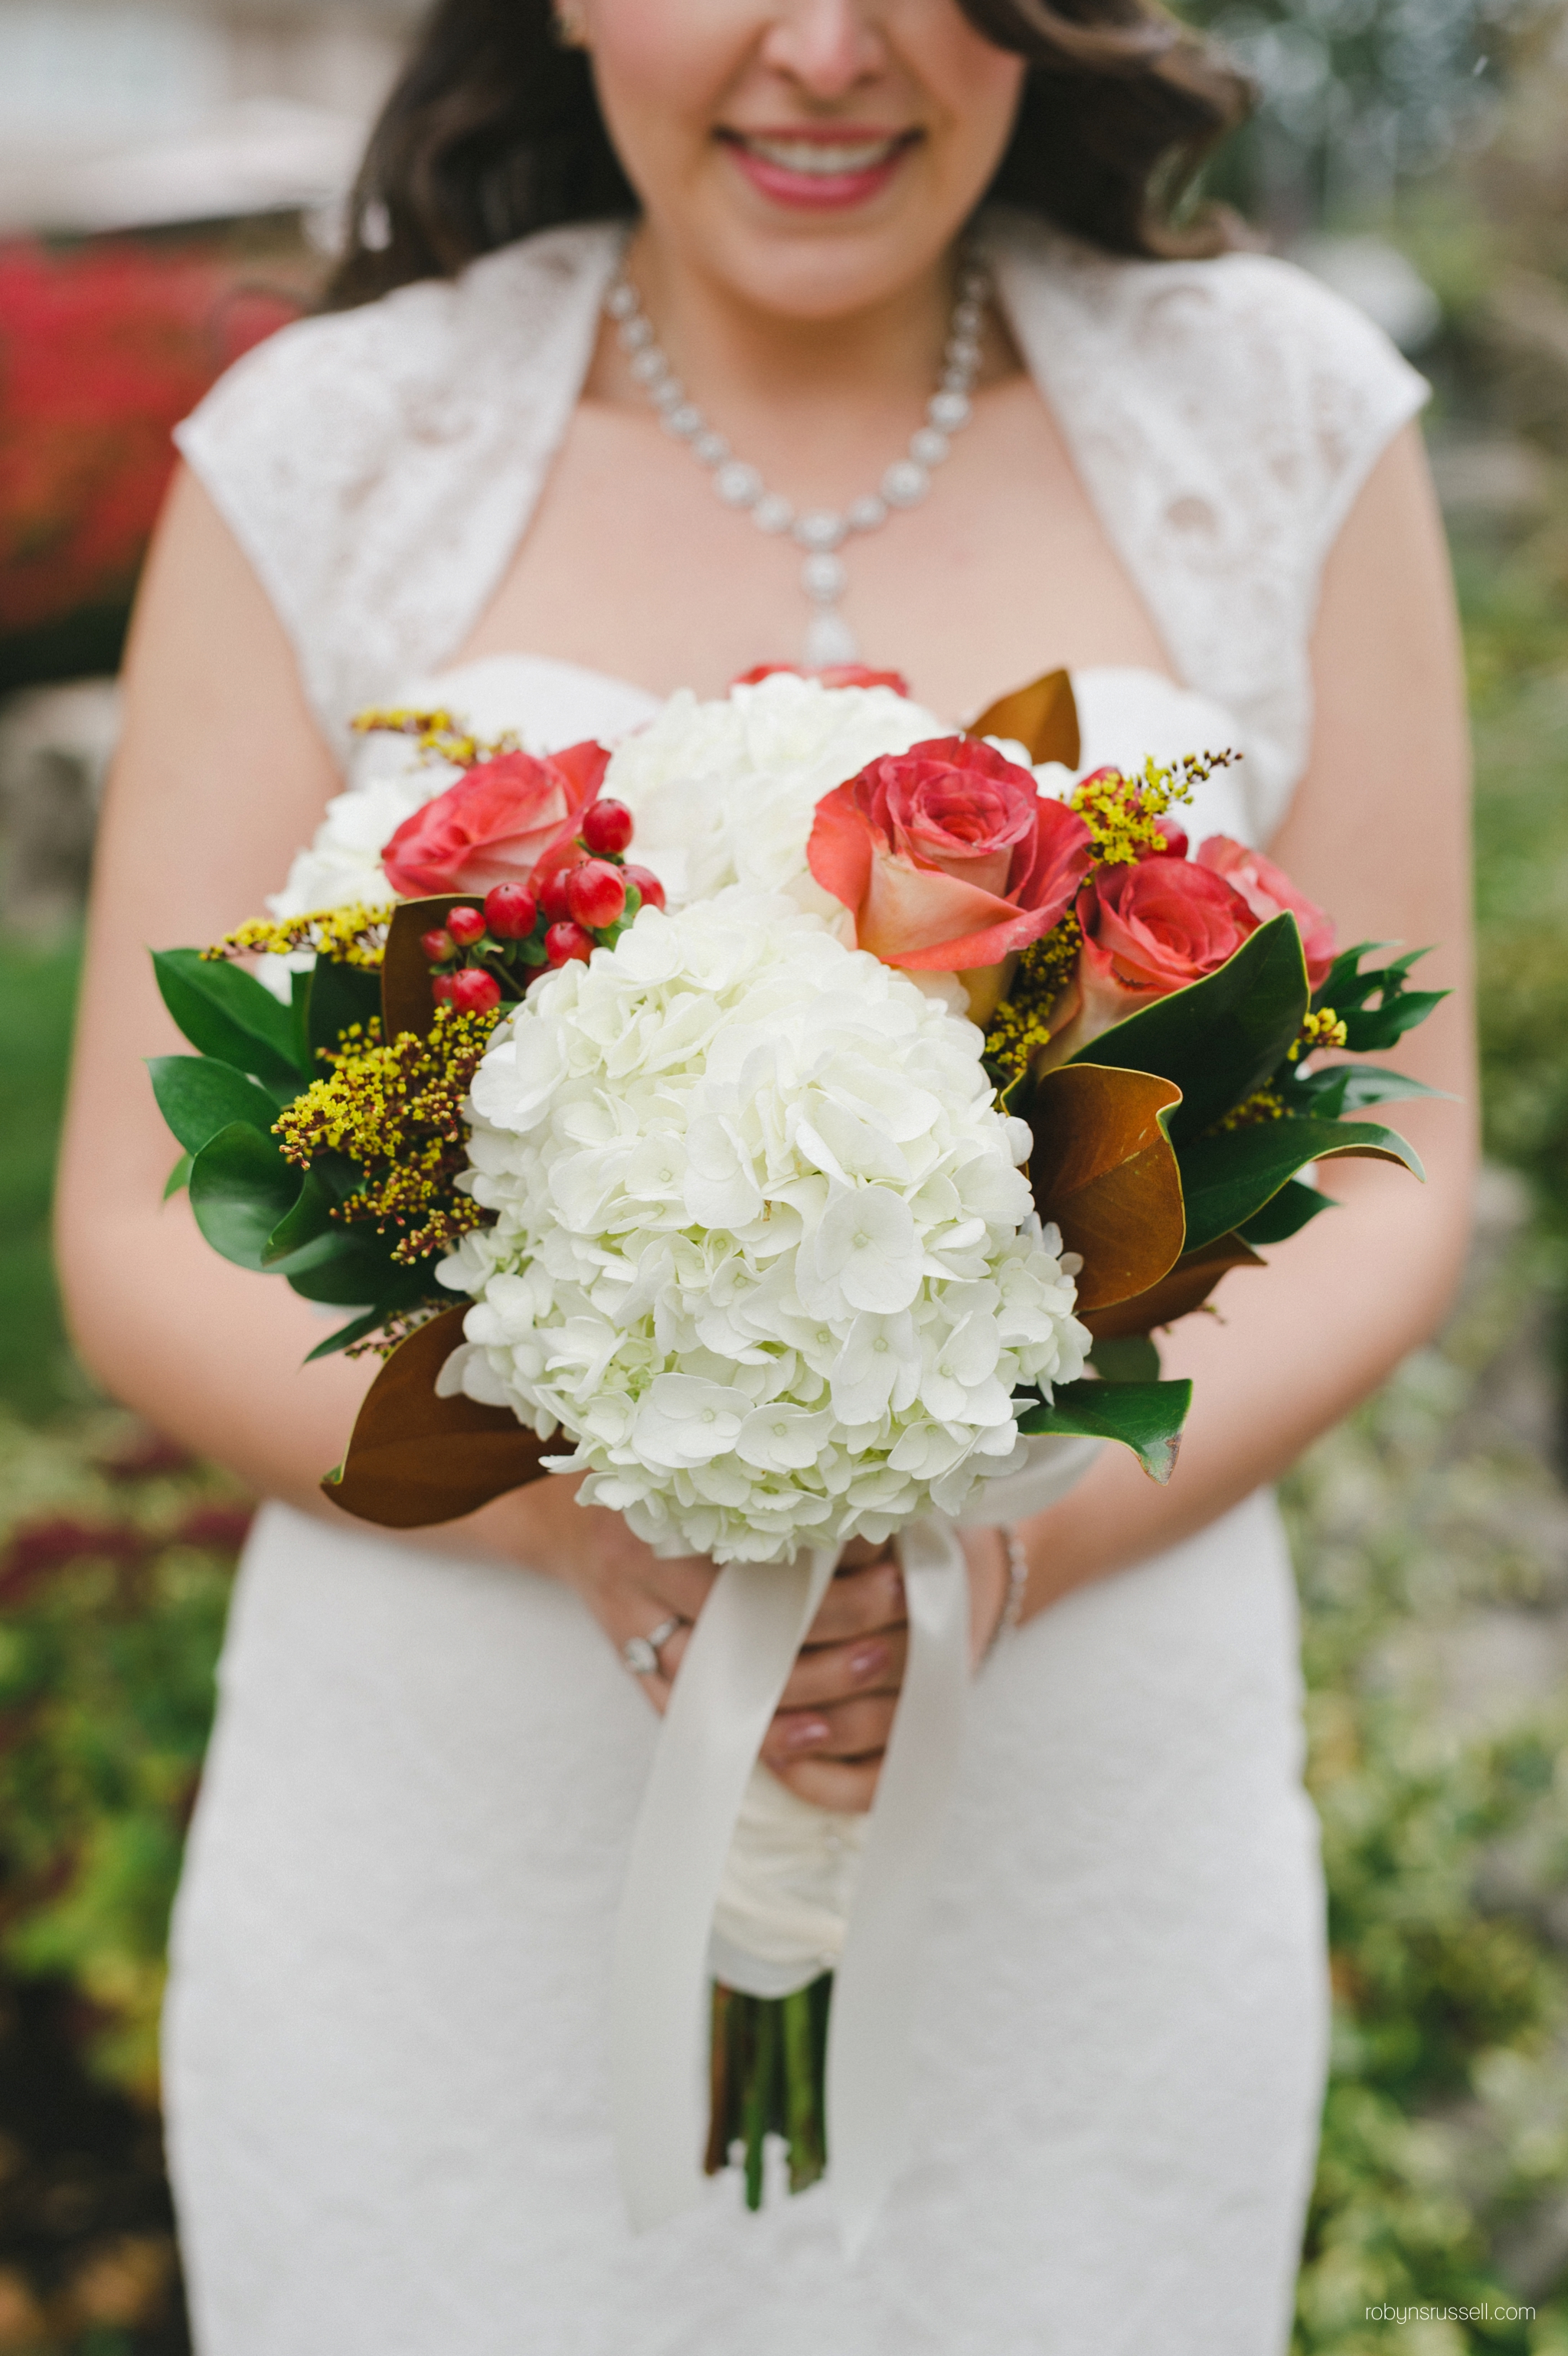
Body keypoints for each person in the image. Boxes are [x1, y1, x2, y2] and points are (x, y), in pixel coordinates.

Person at [55, 2, 1475, 2349]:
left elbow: (1405, 1156)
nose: (825, 49)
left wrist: (1010, 1551)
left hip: (1085, 1825)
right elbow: (130, 1221)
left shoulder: (1282, 421)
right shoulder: (331, 450)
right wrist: (561, 1515)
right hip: (450, 1840)